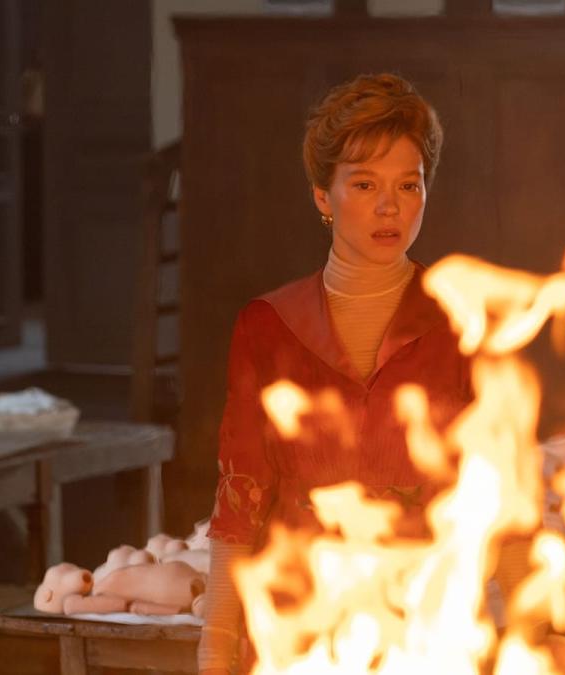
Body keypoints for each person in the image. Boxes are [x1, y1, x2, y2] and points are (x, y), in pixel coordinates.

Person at [196, 74, 472, 674]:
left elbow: (493, 489)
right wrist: (216, 637)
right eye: (364, 184)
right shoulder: (267, 325)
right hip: (296, 629)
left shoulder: (462, 321)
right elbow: (240, 491)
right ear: (323, 195)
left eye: (408, 185)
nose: (389, 206)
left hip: (427, 627)